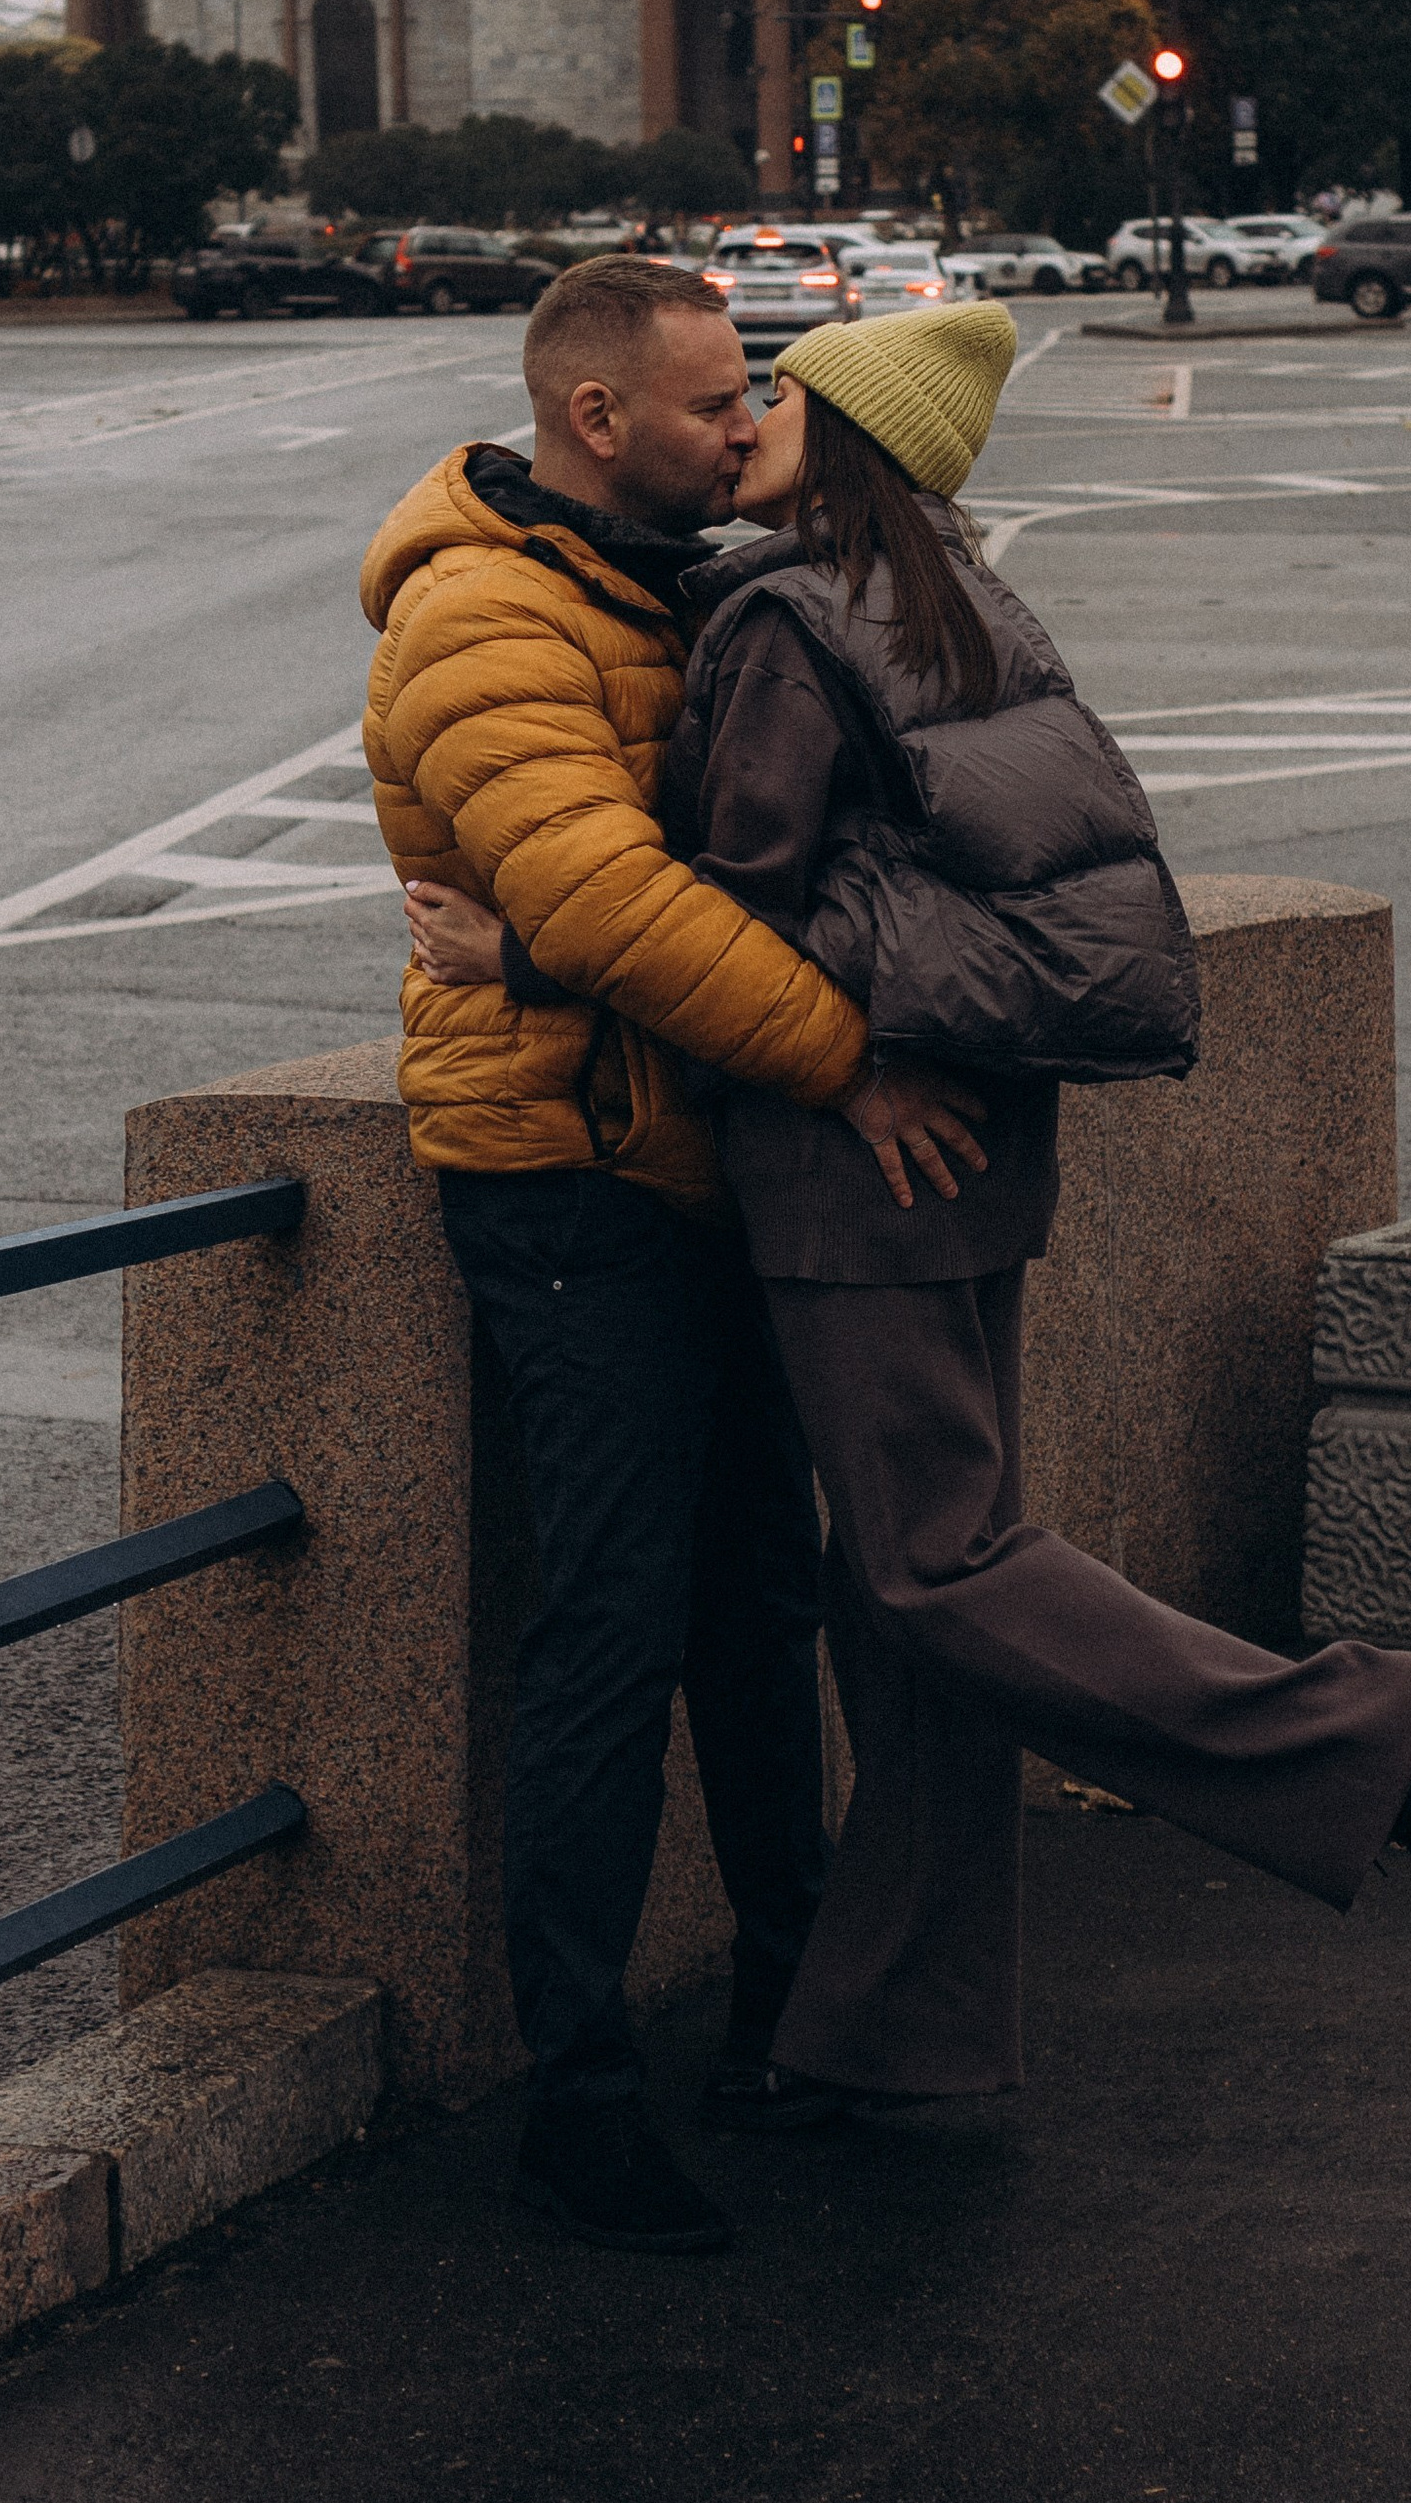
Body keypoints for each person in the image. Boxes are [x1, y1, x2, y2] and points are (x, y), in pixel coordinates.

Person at [410, 294, 1411, 2123]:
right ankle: (899, 2030)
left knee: (934, 1567)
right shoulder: (961, 600)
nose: (749, 417)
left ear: (845, 437)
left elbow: (733, 911)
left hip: (858, 1164)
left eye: (778, 395)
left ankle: (1364, 1739)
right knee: (903, 1604)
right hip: (986, 1139)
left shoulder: (779, 618)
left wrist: (521, 950)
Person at [361, 255, 983, 2258]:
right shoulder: (479, 614)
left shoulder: (666, 582)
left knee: (757, 1609)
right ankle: (579, 2102)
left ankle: (789, 2023)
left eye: (751, 395)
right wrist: (849, 1068)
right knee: (614, 1631)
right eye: (718, 401)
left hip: (694, 1155)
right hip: (567, 1184)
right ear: (595, 416)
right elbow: (615, 907)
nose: (747, 427)